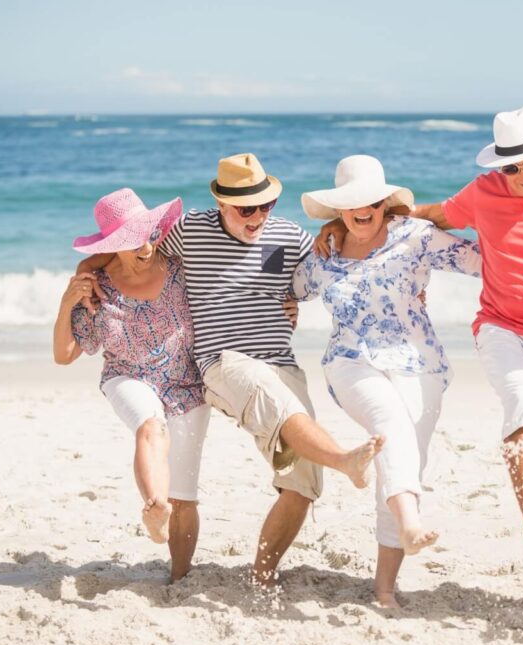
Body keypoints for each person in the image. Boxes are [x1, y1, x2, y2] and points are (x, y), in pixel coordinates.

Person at [317, 107, 523, 606]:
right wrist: (351, 222)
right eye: (511, 167)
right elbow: (432, 215)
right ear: (498, 168)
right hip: (501, 325)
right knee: (522, 407)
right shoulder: (484, 193)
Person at [78, 154, 383, 588]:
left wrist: (335, 226)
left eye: (265, 205)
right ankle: (344, 458)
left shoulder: (287, 237)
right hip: (223, 363)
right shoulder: (189, 231)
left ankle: (262, 572)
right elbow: (129, 253)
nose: (257, 216)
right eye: (246, 209)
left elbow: (335, 259)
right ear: (221, 205)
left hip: (280, 360)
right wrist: (84, 271)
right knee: (265, 392)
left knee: (302, 481)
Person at [292, 155, 481, 607]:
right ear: (339, 209)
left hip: (420, 363)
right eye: (350, 204)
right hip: (350, 361)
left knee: (400, 457)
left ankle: (384, 588)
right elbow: (287, 289)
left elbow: (484, 262)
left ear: (383, 203)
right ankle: (411, 525)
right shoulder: (326, 252)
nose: (361, 211)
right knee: (389, 422)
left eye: (370, 202)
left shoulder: (415, 237)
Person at [53, 188, 209, 582]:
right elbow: (65, 354)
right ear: (112, 246)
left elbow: (230, 279)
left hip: (188, 383)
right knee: (149, 425)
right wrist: (65, 303)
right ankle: (154, 507)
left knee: (186, 494)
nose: (144, 248)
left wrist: (283, 305)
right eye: (130, 241)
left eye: (149, 236)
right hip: (128, 375)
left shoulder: (180, 267)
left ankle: (178, 576)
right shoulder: (97, 288)